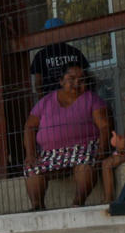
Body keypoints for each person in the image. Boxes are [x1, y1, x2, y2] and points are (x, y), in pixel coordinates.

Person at [22, 63, 111, 209]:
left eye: (81, 80)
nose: (77, 83)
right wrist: (30, 154)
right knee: (32, 169)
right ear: (61, 81)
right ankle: (37, 206)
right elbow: (29, 126)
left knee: (85, 163)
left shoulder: (92, 99)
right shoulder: (46, 101)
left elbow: (104, 126)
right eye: (71, 78)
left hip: (83, 148)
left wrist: (102, 148)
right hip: (50, 153)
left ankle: (78, 201)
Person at [29, 17, 89, 97]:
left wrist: (43, 103)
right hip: (75, 97)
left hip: (52, 101)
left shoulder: (40, 55)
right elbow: (87, 77)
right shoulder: (75, 51)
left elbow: (38, 83)